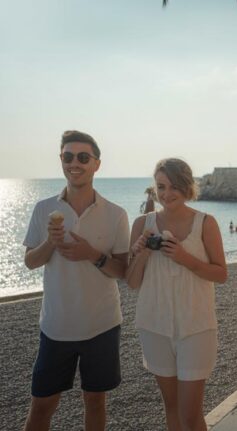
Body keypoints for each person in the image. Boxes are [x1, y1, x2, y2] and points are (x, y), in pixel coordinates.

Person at [23, 130, 130, 431]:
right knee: (42, 404)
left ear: (97, 164)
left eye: (83, 157)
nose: (75, 163)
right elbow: (30, 261)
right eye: (68, 156)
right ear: (61, 160)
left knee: (95, 401)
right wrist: (49, 244)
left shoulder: (116, 214)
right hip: (56, 326)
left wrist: (91, 254)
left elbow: (123, 270)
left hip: (102, 325)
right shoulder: (44, 209)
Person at [125, 158, 226, 430]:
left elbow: (221, 274)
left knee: (191, 413)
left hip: (196, 326)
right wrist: (142, 253)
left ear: (187, 187)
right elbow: (132, 282)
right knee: (171, 408)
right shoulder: (141, 225)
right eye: (160, 186)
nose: (166, 194)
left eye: (174, 187)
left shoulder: (206, 223)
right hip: (154, 325)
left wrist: (183, 257)